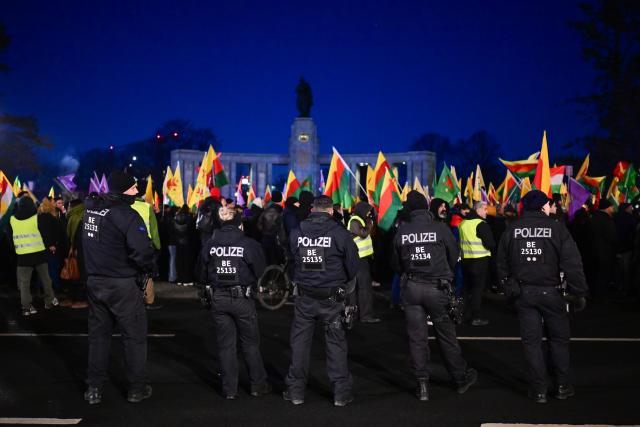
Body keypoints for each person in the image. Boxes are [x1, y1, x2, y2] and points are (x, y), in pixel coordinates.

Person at [497, 190, 587, 403]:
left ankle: (538, 390)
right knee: (558, 340)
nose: (549, 207)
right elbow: (572, 264)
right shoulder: (557, 229)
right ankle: (562, 386)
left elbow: (501, 264)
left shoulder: (512, 229)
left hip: (524, 293)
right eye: (547, 204)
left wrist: (510, 288)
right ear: (542, 207)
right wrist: (579, 292)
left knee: (532, 342)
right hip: (552, 293)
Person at [391, 191, 477, 401]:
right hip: (437, 288)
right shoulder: (439, 228)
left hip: (411, 288)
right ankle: (460, 378)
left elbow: (394, 263)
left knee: (417, 338)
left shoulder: (402, 231)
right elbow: (454, 254)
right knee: (446, 335)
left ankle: (422, 385)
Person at [82, 171, 157, 405]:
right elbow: (143, 251)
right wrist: (147, 268)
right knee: (134, 337)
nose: (137, 192)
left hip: (95, 281)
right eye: (134, 188)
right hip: (122, 284)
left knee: (98, 338)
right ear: (123, 190)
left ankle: (93, 389)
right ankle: (136, 388)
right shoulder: (127, 215)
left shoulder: (91, 210)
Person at [283, 195, 359, 407]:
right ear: (331, 211)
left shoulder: (297, 232)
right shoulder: (340, 234)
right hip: (332, 298)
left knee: (299, 344)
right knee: (335, 344)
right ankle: (340, 394)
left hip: (305, 296)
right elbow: (353, 266)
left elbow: (293, 257)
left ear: (312, 210)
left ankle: (296, 392)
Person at [199, 206, 271, 399]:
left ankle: (229, 389)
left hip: (219, 298)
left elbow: (201, 272)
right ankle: (258, 385)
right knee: (250, 344)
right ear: (240, 225)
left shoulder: (210, 244)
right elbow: (260, 269)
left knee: (225, 346)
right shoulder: (248, 244)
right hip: (242, 298)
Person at [8, 195, 59, 315]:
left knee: (24, 284)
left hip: (23, 256)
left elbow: (10, 239)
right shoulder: (38, 218)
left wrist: (16, 250)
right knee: (46, 279)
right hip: (39, 254)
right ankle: (49, 301)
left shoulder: (12, 220)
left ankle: (27, 307)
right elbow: (47, 234)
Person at [459, 201, 495, 325]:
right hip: (479, 261)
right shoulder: (481, 224)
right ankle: (476, 317)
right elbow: (490, 243)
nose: (486, 211)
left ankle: (462, 315)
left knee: (466, 290)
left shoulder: (463, 223)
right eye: (485, 209)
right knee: (477, 291)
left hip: (466, 261)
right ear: (478, 209)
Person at [347, 201, 380, 323]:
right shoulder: (355, 220)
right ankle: (363, 316)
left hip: (361, 259)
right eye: (367, 211)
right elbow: (363, 233)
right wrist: (369, 223)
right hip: (358, 260)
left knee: (360, 288)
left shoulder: (359, 220)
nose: (368, 213)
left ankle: (355, 315)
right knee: (363, 289)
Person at [587, 199, 618, 299]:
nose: (613, 209)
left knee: (595, 273)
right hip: (605, 252)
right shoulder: (606, 219)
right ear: (607, 208)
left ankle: (594, 293)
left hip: (593, 251)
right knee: (603, 274)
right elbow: (611, 236)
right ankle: (601, 295)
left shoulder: (593, 218)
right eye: (612, 207)